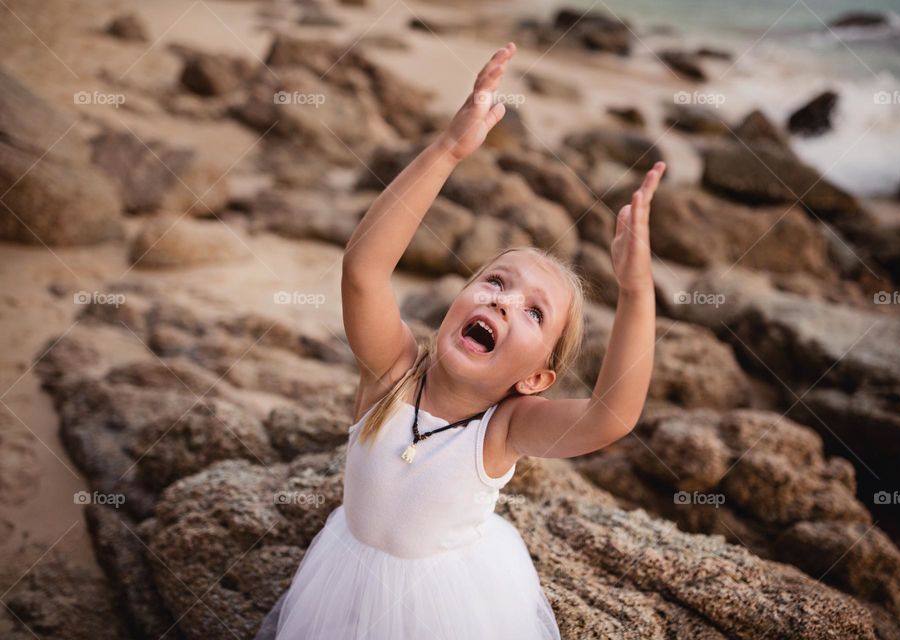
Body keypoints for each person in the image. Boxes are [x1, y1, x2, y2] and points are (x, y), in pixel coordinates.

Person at [255, 41, 666, 639]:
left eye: (533, 312)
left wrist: (636, 293)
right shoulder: (389, 374)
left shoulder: (502, 430)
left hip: (444, 607)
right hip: (343, 579)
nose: (502, 299)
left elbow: (612, 416)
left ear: (536, 378)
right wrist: (448, 150)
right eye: (495, 281)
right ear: (458, 301)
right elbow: (364, 269)